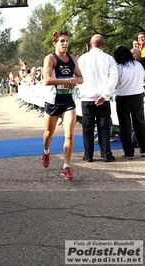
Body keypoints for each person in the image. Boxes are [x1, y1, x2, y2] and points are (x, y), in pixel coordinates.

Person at [41, 30, 83, 181]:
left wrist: (74, 81)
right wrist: (67, 81)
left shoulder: (72, 59)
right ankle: (46, 151)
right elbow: (47, 80)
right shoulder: (51, 58)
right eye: (62, 41)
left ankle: (66, 167)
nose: (65, 44)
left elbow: (81, 78)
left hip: (68, 102)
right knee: (48, 133)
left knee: (70, 135)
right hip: (53, 101)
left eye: (66, 41)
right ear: (55, 43)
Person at [77, 34, 118, 162]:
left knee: (87, 127)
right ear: (103, 44)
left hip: (87, 97)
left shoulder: (82, 58)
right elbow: (113, 79)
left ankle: (88, 155)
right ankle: (106, 154)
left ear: (90, 44)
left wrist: (82, 90)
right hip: (102, 98)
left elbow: (77, 77)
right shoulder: (109, 59)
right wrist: (105, 94)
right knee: (104, 127)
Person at [113, 45, 145, 159]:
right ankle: (143, 148)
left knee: (125, 125)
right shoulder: (138, 65)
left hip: (123, 97)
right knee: (140, 123)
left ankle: (128, 151)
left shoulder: (120, 68)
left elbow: (115, 84)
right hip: (138, 95)